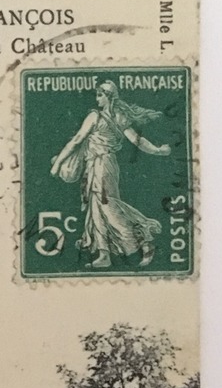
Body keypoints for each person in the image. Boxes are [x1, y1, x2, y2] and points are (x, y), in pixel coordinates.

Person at [50, 79, 172, 269]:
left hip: (102, 164)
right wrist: (157, 150)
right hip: (100, 165)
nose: (97, 99)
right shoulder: (119, 117)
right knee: (96, 207)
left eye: (100, 95)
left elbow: (76, 141)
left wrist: (57, 163)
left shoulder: (95, 117)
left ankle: (142, 238)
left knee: (107, 206)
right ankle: (104, 254)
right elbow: (137, 141)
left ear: (108, 97)